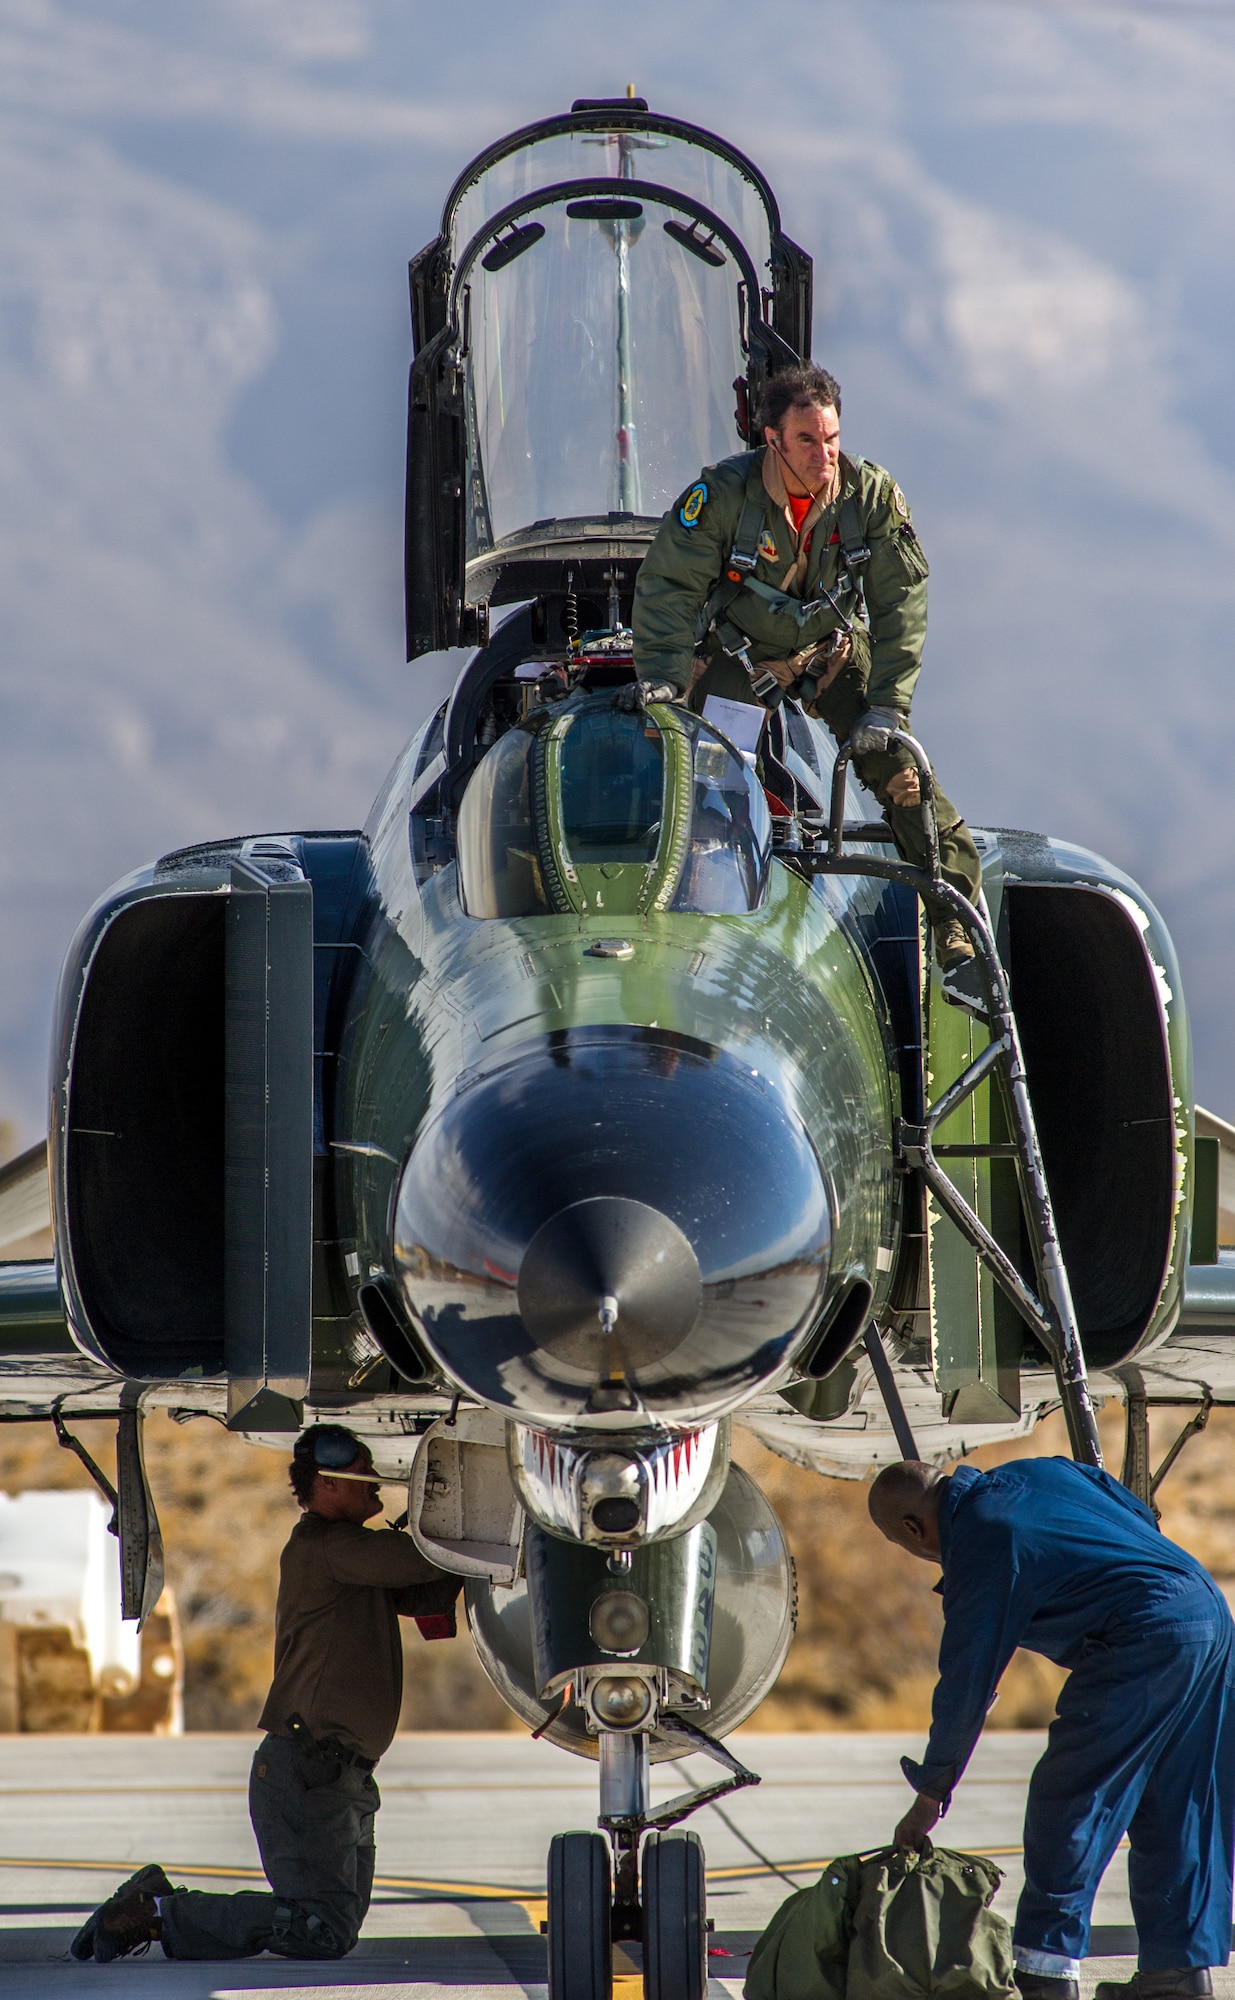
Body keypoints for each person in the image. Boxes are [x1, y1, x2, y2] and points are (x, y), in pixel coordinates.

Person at [631, 362, 982, 978]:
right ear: (771, 439)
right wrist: (664, 678)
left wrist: (887, 707)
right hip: (744, 658)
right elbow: (669, 585)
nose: (825, 455)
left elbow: (903, 600)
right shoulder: (719, 499)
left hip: (834, 653)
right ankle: (690, 937)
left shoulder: (867, 497)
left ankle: (954, 915)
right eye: (807, 441)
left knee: (904, 775)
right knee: (703, 786)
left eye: (833, 439)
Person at [72, 1424, 461, 1964]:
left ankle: (162, 1907)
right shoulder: (328, 1547)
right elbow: (427, 1559)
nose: (374, 1485)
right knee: (318, 1929)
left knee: (330, 1928)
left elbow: (431, 1585)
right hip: (310, 1773)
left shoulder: (350, 1558)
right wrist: (471, 1519)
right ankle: (158, 1911)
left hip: (335, 1775)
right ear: (324, 1488)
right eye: (359, 1477)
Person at [868, 1457, 1235, 2000]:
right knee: (1177, 1802)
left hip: (1142, 1635)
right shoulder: (1045, 1472)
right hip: (1207, 1612)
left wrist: (932, 1790)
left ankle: (1046, 1970)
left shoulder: (982, 1537)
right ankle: (1177, 1976)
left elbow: (967, 1681)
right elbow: (1135, 1512)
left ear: (912, 1528)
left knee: (1069, 1799)